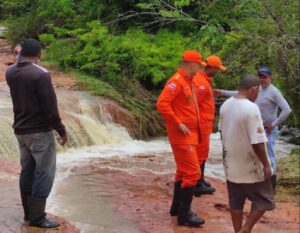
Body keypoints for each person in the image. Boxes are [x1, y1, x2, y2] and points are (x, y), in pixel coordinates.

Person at [6, 38, 68, 229]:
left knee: (27, 170)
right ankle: (38, 217)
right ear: (39, 55)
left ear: (20, 53)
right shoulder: (40, 74)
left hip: (20, 130)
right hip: (39, 131)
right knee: (44, 172)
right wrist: (60, 129)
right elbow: (49, 107)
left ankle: (28, 213)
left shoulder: (10, 71)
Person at [214, 67, 292, 190]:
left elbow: (287, 109)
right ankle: (254, 182)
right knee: (254, 153)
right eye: (260, 76)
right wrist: (222, 92)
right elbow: (239, 93)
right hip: (252, 126)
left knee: (269, 155)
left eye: (264, 77)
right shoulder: (256, 88)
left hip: (267, 129)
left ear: (270, 77)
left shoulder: (274, 92)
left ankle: (271, 188)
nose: (262, 79)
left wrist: (274, 124)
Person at [219, 75, 274, 233]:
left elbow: (222, 133)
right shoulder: (251, 108)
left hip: (231, 164)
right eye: (258, 91)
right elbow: (257, 142)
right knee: (264, 199)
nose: (257, 95)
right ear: (253, 89)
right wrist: (266, 164)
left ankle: (238, 231)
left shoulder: (225, 105)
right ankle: (246, 229)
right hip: (250, 165)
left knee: (236, 201)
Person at [157, 50, 206, 227]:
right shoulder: (176, 81)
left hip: (190, 135)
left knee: (183, 172)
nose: (200, 68)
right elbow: (162, 104)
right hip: (182, 136)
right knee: (193, 173)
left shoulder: (189, 81)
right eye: (199, 65)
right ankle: (184, 215)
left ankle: (177, 208)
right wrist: (178, 123)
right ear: (192, 64)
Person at [193, 55, 226, 196]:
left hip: (205, 123)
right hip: (201, 124)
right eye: (217, 69)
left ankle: (200, 180)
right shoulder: (200, 82)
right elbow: (194, 104)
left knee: (203, 153)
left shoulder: (204, 80)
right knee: (200, 154)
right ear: (211, 67)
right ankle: (197, 183)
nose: (217, 72)